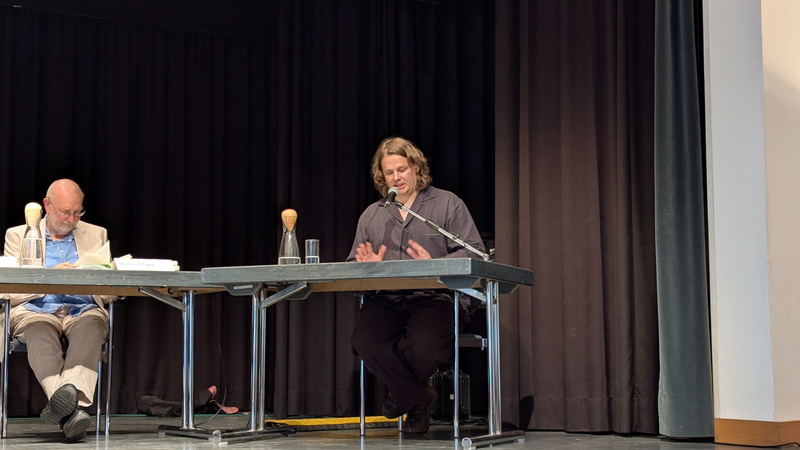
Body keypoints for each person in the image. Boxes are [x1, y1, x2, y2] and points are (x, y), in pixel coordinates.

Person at [347, 137, 485, 434]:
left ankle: (404, 397)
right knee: (364, 340)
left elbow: (474, 253)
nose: (396, 177)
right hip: (386, 298)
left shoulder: (447, 203)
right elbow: (352, 264)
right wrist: (365, 265)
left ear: (416, 168)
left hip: (435, 297)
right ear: (382, 177)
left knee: (424, 347)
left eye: (402, 169)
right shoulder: (372, 214)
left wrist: (436, 262)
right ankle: (418, 396)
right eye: (389, 173)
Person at [2, 179, 115, 442]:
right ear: (47, 205)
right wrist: (49, 277)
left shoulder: (97, 234)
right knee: (40, 334)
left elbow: (109, 290)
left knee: (91, 329)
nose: (71, 219)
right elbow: (7, 289)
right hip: (35, 309)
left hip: (83, 307)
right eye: (65, 212)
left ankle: (66, 405)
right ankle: (71, 411)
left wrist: (106, 277)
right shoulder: (18, 235)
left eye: (77, 212)